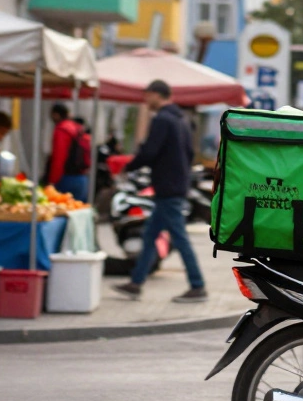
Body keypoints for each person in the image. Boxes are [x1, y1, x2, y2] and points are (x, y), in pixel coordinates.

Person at [111, 80, 206, 303]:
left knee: (180, 239)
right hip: (175, 185)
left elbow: (150, 151)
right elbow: (190, 153)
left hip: (168, 188)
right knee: (149, 235)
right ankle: (135, 283)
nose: (145, 101)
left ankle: (198, 285)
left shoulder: (162, 119)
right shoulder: (182, 119)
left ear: (156, 95)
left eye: (147, 96)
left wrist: (128, 166)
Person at [46, 103, 90, 202]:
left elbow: (59, 158)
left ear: (56, 115)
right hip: (82, 179)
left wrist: (52, 181)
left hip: (67, 179)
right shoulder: (77, 128)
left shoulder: (62, 130)